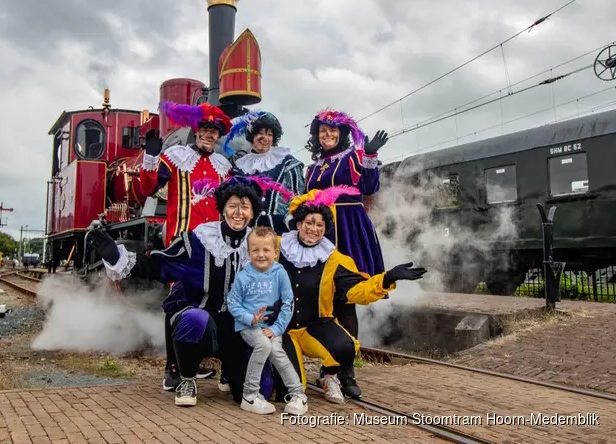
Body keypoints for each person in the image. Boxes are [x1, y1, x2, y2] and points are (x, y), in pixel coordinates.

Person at [88, 177, 285, 407]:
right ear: (222, 208)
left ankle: (231, 372)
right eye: (232, 206)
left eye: (245, 207)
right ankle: (187, 378)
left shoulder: (257, 244)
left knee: (262, 389)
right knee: (194, 317)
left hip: (237, 328)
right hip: (202, 321)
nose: (238, 213)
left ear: (253, 212)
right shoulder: (200, 239)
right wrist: (116, 257)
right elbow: (160, 264)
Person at [266, 186, 427, 404]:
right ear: (299, 223)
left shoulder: (335, 260)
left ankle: (329, 375)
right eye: (310, 223)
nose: (314, 229)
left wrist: (387, 278)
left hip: (315, 325)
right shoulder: (276, 247)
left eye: (320, 225)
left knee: (345, 347)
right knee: (287, 391)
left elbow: (356, 292)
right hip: (281, 328)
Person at [137, 100, 234, 391]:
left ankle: (193, 361)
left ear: (219, 136)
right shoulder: (176, 157)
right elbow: (146, 189)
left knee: (207, 303)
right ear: (196, 130)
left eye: (214, 131)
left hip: (214, 248)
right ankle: (173, 370)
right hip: (183, 244)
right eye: (204, 128)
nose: (208, 134)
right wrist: (150, 158)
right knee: (177, 305)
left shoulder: (223, 166)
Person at [303, 108, 389, 399]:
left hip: (349, 229)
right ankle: (329, 370)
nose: (327, 135)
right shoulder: (311, 168)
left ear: (342, 134)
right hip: (320, 231)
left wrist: (371, 157)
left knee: (347, 303)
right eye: (322, 131)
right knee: (322, 303)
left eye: (332, 131)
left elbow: (369, 187)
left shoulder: (353, 157)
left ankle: (347, 371)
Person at [226, 226, 307, 416]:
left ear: (276, 253)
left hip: (272, 327)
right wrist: (250, 319)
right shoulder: (243, 276)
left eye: (266, 250)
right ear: (249, 252)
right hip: (249, 326)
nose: (261, 255)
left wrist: (277, 329)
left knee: (277, 352)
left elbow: (288, 303)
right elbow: (232, 303)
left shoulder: (280, 273)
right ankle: (250, 395)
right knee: (263, 345)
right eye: (255, 250)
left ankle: (298, 395)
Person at [224, 111, 305, 232]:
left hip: (278, 231)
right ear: (252, 136)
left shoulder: (287, 163)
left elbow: (298, 199)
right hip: (246, 230)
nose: (265, 138)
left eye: (269, 134)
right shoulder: (240, 166)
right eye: (260, 133)